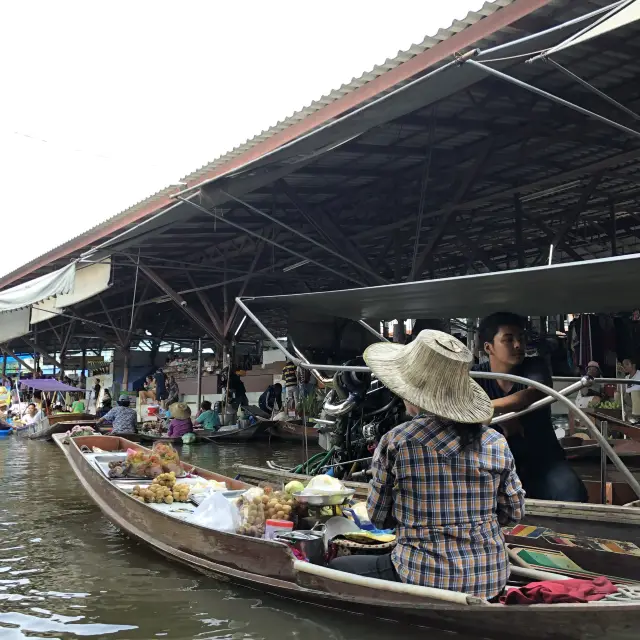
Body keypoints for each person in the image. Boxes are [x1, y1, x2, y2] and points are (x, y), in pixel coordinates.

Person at [330, 330, 524, 599]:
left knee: (336, 567)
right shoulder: (495, 441)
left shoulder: (397, 441)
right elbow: (513, 513)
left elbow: (379, 517)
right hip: (491, 578)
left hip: (420, 575)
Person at [473, 312, 588, 502]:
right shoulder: (477, 377)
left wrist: (489, 408)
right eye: (508, 340)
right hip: (496, 465)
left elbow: (534, 392)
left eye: (521, 339)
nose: (518, 345)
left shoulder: (534, 366)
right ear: (489, 347)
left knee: (571, 492)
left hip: (544, 462)